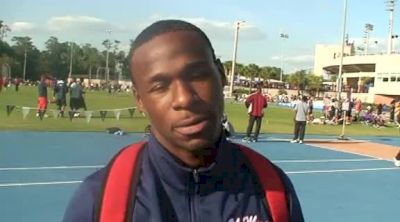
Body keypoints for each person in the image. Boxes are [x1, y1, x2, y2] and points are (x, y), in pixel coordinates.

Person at [63, 20, 303, 222]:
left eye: (197, 76)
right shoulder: (100, 200)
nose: (184, 98)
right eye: (160, 86)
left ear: (220, 75)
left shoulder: (274, 190)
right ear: (140, 100)